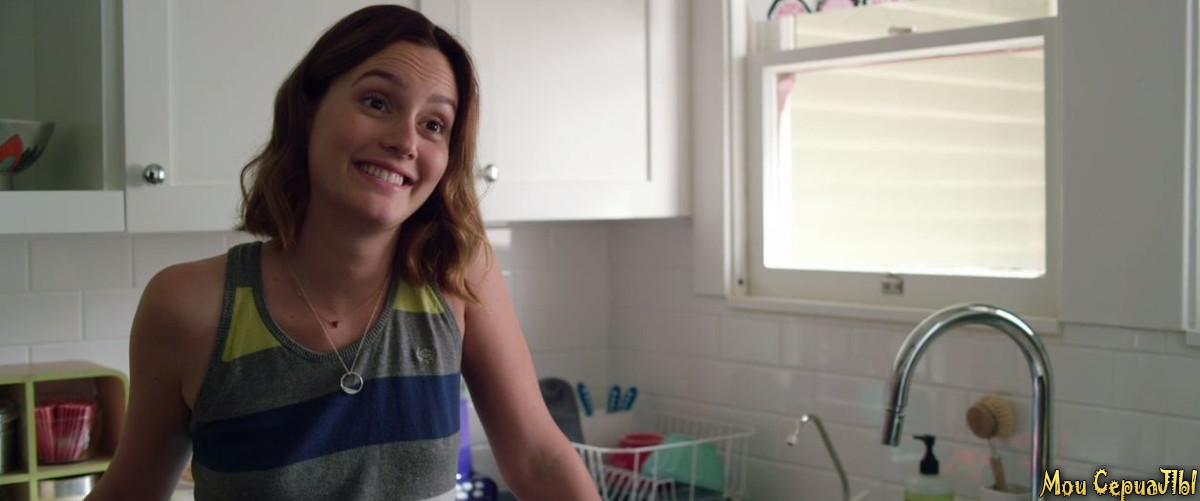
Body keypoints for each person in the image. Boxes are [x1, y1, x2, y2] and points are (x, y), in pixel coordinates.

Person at [86, 5, 599, 500]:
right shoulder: (189, 306)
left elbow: (538, 458)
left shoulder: (456, 275)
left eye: (434, 124)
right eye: (377, 102)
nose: (406, 141)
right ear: (308, 110)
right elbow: (129, 493)